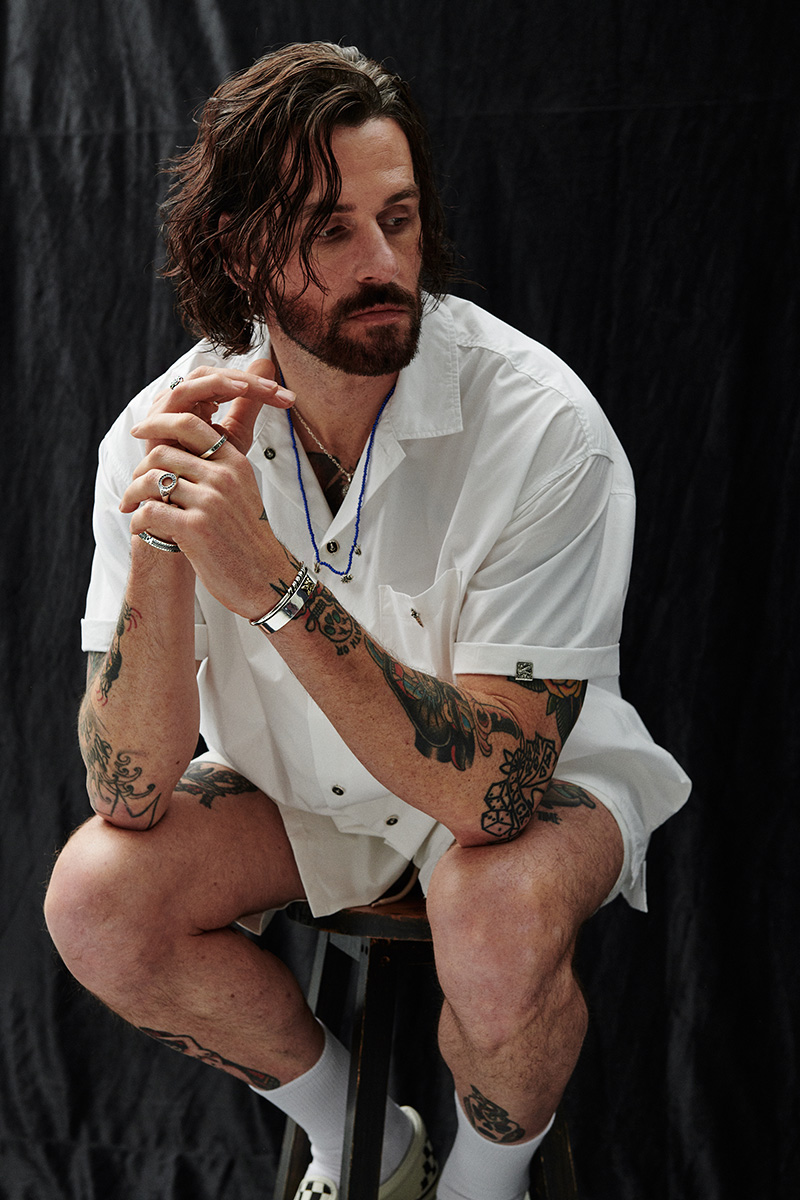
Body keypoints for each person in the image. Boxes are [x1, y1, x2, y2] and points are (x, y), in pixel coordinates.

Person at [45, 41, 690, 1200]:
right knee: (97, 899)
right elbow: (128, 794)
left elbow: (488, 799)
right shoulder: (159, 434)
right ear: (239, 248)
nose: (382, 262)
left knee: (492, 918)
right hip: (295, 790)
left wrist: (272, 585)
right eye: (329, 230)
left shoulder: (542, 427)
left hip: (523, 794)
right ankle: (363, 1146)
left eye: (397, 219)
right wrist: (164, 550)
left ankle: (482, 1185)